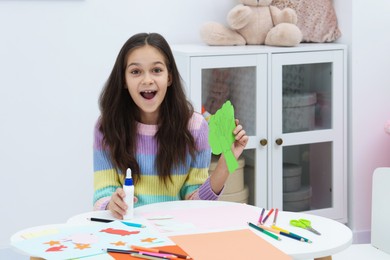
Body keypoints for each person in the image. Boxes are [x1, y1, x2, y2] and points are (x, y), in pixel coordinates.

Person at [93, 32, 248, 219]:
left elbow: (195, 203)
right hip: (128, 232)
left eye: (156, 70)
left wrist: (226, 163)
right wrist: (111, 204)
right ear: (124, 80)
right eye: (135, 71)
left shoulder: (195, 126)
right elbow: (102, 196)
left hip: (176, 232)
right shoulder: (107, 127)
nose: (147, 80)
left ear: (169, 77)